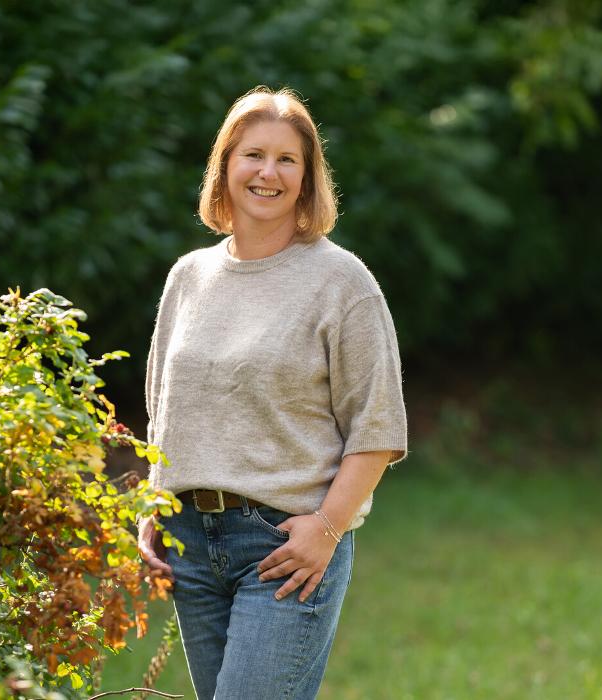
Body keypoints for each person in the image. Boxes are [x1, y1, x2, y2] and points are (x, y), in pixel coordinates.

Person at [137, 86, 407, 700]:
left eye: (288, 159)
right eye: (252, 155)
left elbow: (378, 427)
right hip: (190, 548)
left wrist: (327, 530)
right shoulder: (189, 278)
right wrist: (156, 505)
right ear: (225, 166)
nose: (268, 172)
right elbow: (166, 410)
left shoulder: (342, 282)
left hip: (285, 547)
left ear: (308, 177)